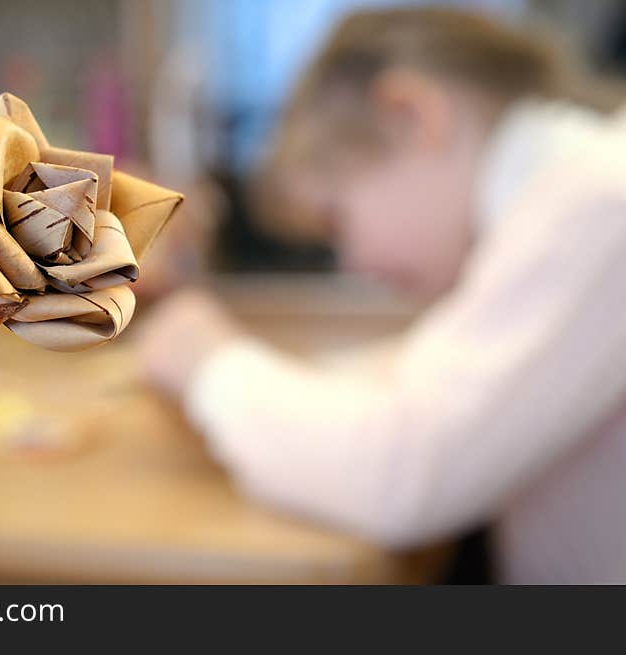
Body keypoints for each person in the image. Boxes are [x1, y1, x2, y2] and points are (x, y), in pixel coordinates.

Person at [136, 6, 626, 583]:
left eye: (338, 218)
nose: (354, 262)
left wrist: (206, 360)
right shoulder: (556, 202)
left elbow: (406, 470)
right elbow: (418, 383)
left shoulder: (599, 199)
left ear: (412, 116)